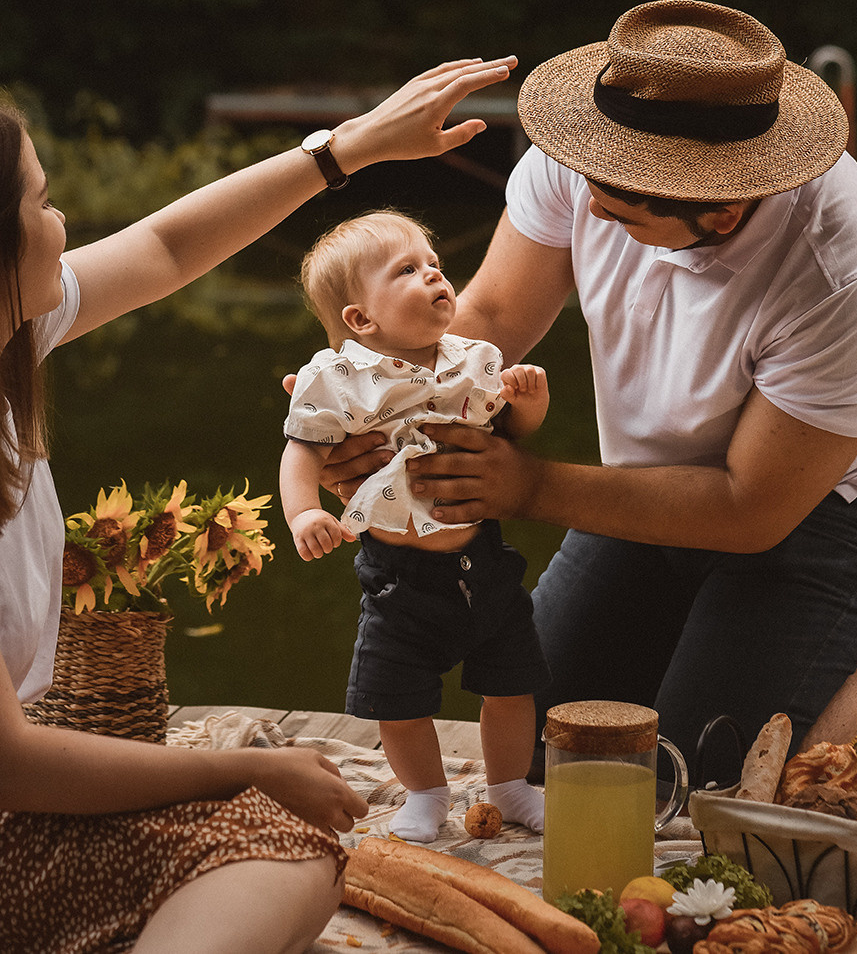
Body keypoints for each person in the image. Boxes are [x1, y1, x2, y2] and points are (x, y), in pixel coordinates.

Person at [0, 53, 517, 954]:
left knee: (291, 853)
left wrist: (346, 149)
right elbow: (12, 762)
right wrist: (245, 768)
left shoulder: (14, 333)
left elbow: (167, 248)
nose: (62, 221)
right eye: (41, 204)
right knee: (282, 845)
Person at [317, 0, 857, 789]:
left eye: (619, 213)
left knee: (692, 783)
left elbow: (750, 506)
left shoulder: (838, 263)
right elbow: (490, 317)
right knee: (537, 747)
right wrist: (378, 411)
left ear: (722, 210)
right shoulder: (586, 155)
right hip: (642, 483)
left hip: (810, 512)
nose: (590, 208)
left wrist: (524, 484)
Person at [280, 210, 551, 843]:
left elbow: (510, 435)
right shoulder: (337, 380)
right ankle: (426, 793)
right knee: (397, 698)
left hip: (483, 559)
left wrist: (529, 404)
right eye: (408, 269)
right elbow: (302, 450)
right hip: (398, 576)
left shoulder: (474, 360)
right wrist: (304, 512)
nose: (434, 274)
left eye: (434, 263)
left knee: (512, 683)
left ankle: (510, 787)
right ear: (360, 319)